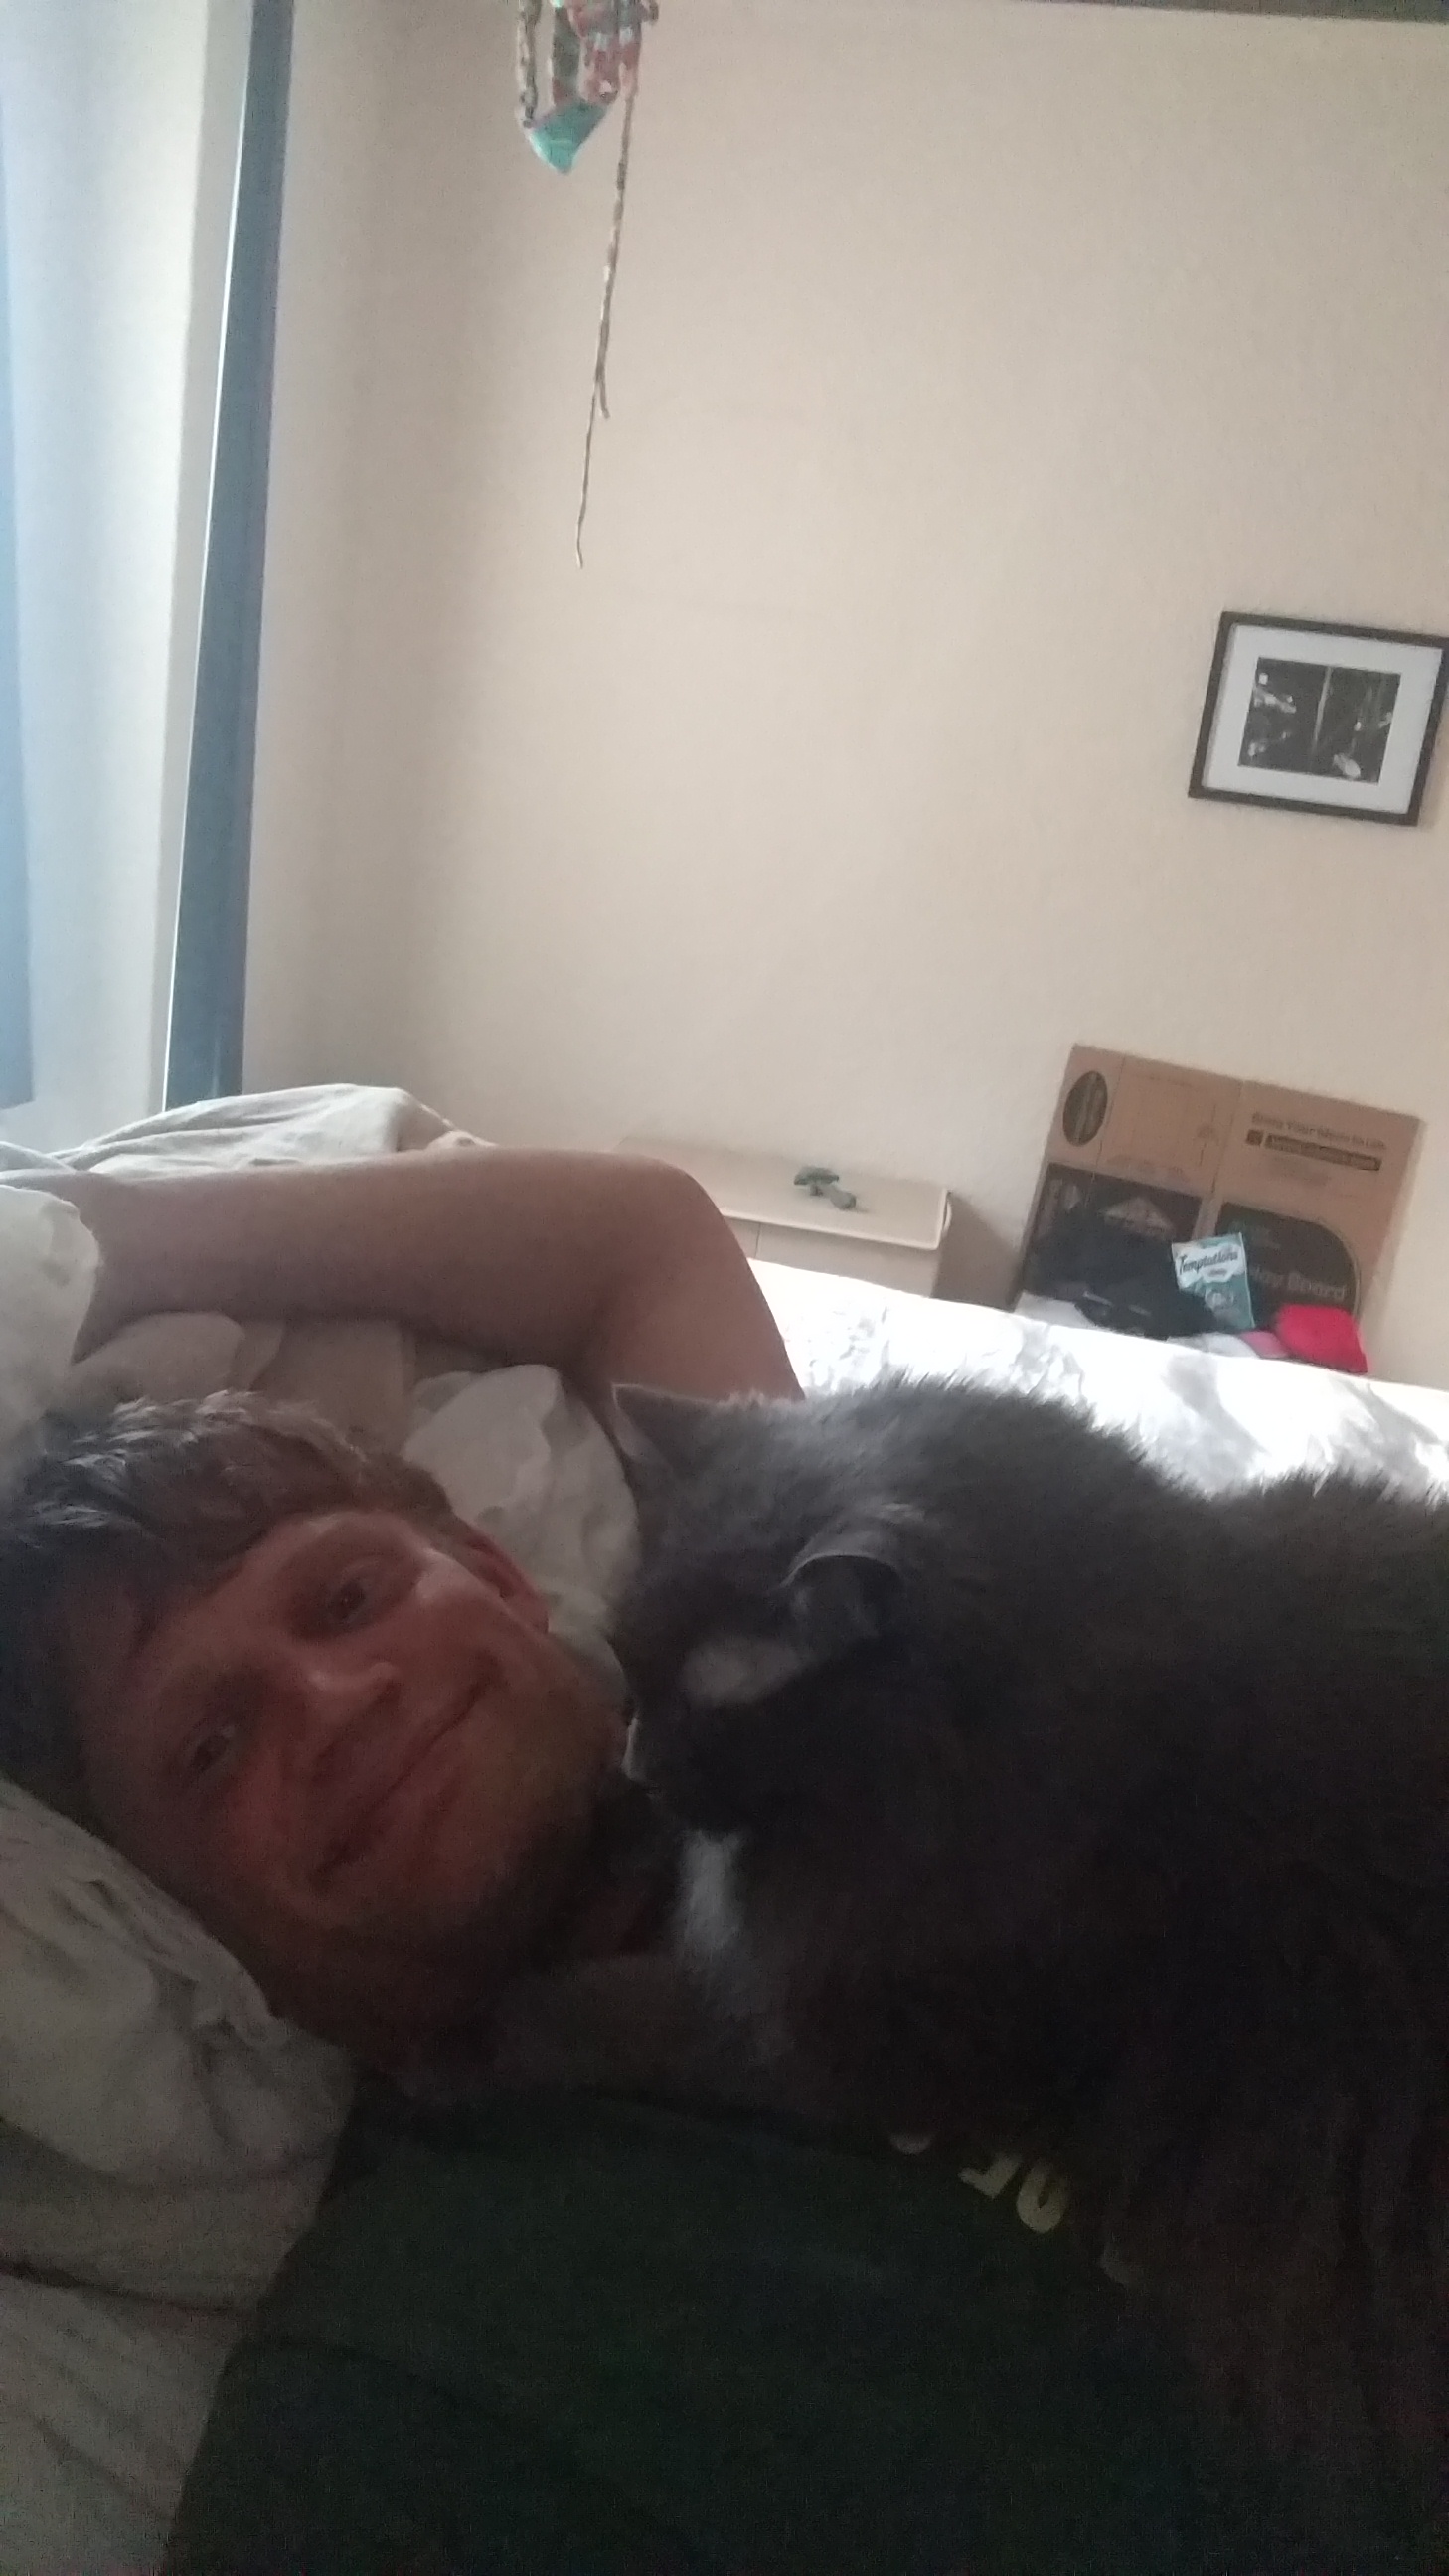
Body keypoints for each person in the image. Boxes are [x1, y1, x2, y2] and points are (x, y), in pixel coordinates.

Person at [0, 1148, 1433, 2574]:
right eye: (212, 1748)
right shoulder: (385, 2389)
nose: (331, 1702)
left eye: (347, 1596)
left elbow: (635, 1235)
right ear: (181, 1924)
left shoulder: (841, 1653)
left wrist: (61, 1229)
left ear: (501, 1577)